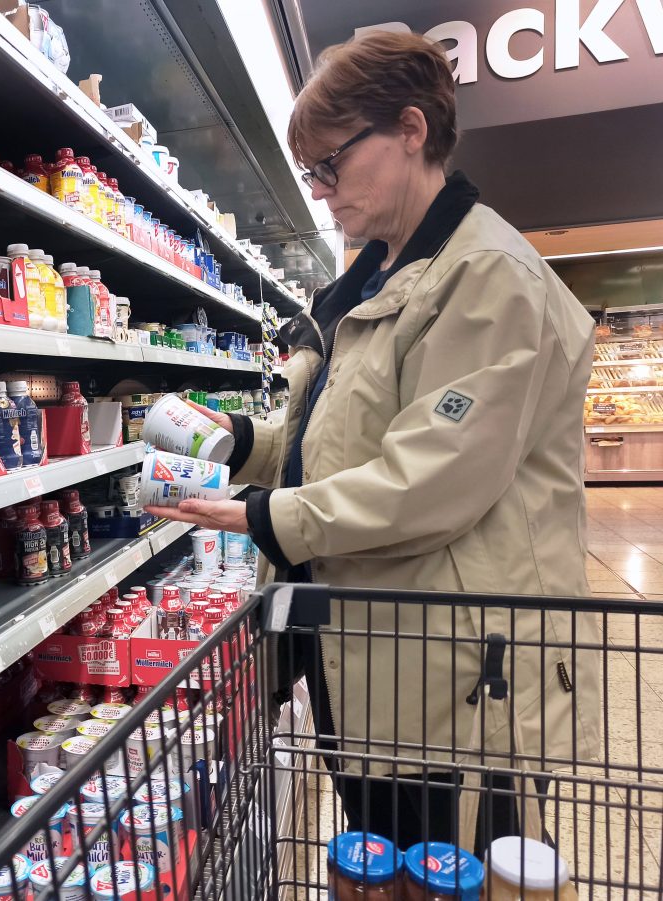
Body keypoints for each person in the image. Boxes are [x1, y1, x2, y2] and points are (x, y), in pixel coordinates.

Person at [146, 30, 601, 851]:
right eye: (310, 172)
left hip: (459, 679)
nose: (320, 191)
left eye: (331, 164)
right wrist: (247, 441)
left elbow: (430, 477)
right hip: (375, 649)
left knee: (452, 868)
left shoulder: (488, 276)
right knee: (382, 858)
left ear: (412, 130)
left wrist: (268, 517)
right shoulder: (379, 276)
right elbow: (349, 430)